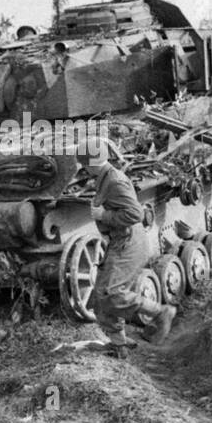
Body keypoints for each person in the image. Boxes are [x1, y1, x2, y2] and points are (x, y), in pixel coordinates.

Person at [77, 143, 176, 347]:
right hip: (120, 239)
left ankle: (160, 312)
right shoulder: (105, 178)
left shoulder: (114, 181)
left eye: (85, 164)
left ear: (92, 164)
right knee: (101, 295)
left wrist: (103, 215)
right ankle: (119, 344)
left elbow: (135, 214)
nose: (84, 169)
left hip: (129, 241)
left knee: (111, 293)